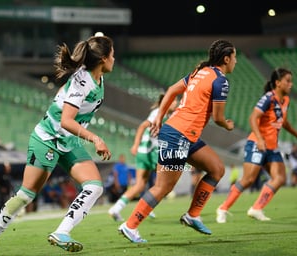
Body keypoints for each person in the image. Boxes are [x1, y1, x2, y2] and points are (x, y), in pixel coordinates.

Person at [0, 34, 115, 256]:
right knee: (26, 195)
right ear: (102, 58)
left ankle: (61, 232)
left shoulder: (97, 78)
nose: (114, 59)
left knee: (94, 187)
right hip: (47, 139)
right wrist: (95, 139)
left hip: (68, 142)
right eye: (112, 55)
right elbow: (66, 121)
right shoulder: (83, 82)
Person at [118, 39, 237, 243]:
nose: (236, 61)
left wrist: (159, 116)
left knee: (217, 168)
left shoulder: (199, 72)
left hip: (184, 134)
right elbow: (218, 118)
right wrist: (227, 124)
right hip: (178, 135)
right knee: (162, 187)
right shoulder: (220, 80)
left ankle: (192, 215)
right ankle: (130, 226)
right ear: (226, 59)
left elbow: (172, 90)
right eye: (234, 57)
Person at [216, 67, 296, 223]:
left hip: (272, 147)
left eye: (291, 81)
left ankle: (256, 208)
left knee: (279, 178)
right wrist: (259, 139)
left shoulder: (285, 100)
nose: (291, 84)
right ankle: (223, 208)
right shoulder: (268, 98)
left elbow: (284, 122)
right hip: (257, 143)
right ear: (278, 83)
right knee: (248, 179)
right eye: (287, 81)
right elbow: (253, 118)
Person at [108, 94, 177, 222]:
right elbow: (142, 126)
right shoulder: (158, 112)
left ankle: (116, 209)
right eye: (174, 101)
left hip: (143, 152)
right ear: (166, 102)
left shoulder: (169, 115)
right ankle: (146, 207)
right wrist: (135, 144)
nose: (176, 103)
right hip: (151, 152)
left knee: (140, 185)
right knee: (164, 183)